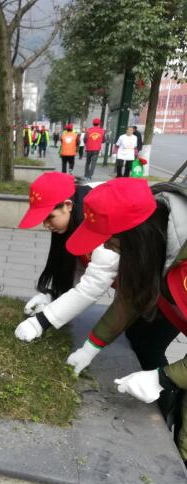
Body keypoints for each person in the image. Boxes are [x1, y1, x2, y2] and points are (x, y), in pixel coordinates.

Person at [64, 179, 187, 459]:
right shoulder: (156, 238)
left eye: (110, 239)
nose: (106, 246)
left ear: (135, 235)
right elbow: (132, 297)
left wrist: (164, 378)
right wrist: (90, 347)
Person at [14, 172, 119, 343]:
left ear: (68, 205)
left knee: (145, 344)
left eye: (50, 217)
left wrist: (40, 323)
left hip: (158, 288)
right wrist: (53, 297)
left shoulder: (100, 219)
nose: (46, 225)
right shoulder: (78, 213)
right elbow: (79, 269)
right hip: (133, 286)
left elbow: (94, 285)